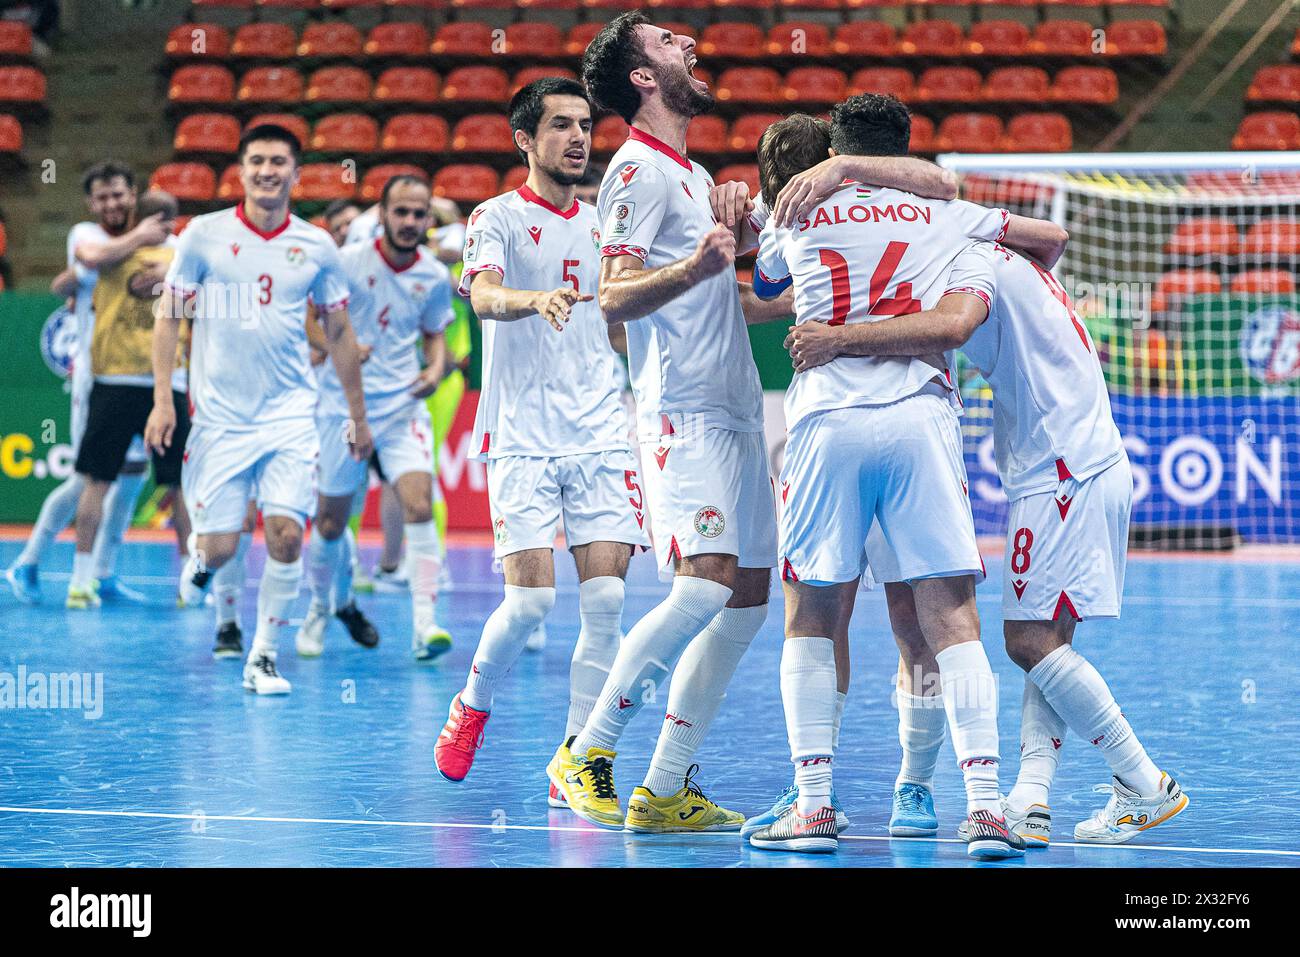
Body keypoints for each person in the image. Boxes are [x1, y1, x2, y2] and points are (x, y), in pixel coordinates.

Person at [786, 238, 1189, 847]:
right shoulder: (1007, 254)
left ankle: (1142, 780)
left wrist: (835, 337)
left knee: (1028, 643)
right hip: (1087, 459)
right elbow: (1051, 237)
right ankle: (1030, 798)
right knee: (1047, 639)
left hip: (1060, 470)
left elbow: (947, 327)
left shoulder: (957, 255)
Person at [744, 101, 1043, 858]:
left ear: (835, 152)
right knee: (952, 619)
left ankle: (812, 805)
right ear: (901, 149)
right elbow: (1023, 233)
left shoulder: (794, 214)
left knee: (812, 614)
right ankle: (984, 809)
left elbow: (768, 279)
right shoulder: (942, 210)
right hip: (918, 415)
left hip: (825, 425)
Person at [546, 15, 794, 833]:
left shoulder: (690, 175)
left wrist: (796, 297)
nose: (687, 43)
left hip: (735, 410)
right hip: (680, 413)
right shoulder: (635, 173)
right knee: (705, 582)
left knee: (750, 599)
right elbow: (612, 294)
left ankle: (662, 784)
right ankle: (588, 745)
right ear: (642, 79)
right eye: (665, 42)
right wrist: (704, 260)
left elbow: (730, 298)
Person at [433, 78, 650, 791]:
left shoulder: (603, 224)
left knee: (609, 601)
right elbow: (485, 295)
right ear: (525, 139)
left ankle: (577, 757)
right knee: (529, 601)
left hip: (598, 431)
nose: (579, 138)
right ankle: (472, 704)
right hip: (523, 433)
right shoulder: (493, 217)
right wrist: (535, 299)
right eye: (560, 125)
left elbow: (621, 322)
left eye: (585, 124)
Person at [146, 123, 372, 695]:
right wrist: (162, 401)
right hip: (220, 419)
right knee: (221, 546)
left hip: (291, 416)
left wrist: (357, 414)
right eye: (257, 161)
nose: (268, 171)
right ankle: (202, 562)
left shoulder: (316, 245)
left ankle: (264, 657)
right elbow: (169, 315)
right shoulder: (202, 235)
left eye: (279, 162)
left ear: (296, 174)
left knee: (285, 537)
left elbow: (339, 331)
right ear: (241, 171)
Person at [298, 173, 455, 661]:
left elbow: (435, 335)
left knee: (418, 504)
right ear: (382, 215)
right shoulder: (344, 264)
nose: (410, 221)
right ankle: (322, 608)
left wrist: (433, 368)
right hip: (340, 408)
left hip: (402, 406)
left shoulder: (433, 276)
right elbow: (309, 320)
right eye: (401, 212)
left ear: (429, 220)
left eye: (419, 213)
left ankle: (425, 624)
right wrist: (337, 346)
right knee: (328, 523)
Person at [5, 161, 172, 605]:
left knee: (134, 475)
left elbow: (73, 281)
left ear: (134, 194)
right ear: (90, 204)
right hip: (99, 378)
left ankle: (103, 571)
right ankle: (28, 561)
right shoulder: (87, 234)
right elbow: (92, 261)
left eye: (119, 194)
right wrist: (140, 238)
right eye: (102, 197)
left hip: (145, 376)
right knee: (89, 480)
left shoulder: (157, 247)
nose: (112, 203)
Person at [65, 190, 191, 608]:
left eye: (168, 218)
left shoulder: (182, 256)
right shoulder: (112, 247)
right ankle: (82, 581)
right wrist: (138, 239)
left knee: (175, 485)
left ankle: (187, 584)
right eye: (158, 217)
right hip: (120, 379)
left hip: (163, 382)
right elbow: (84, 260)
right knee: (104, 481)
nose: (163, 225)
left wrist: (167, 271)